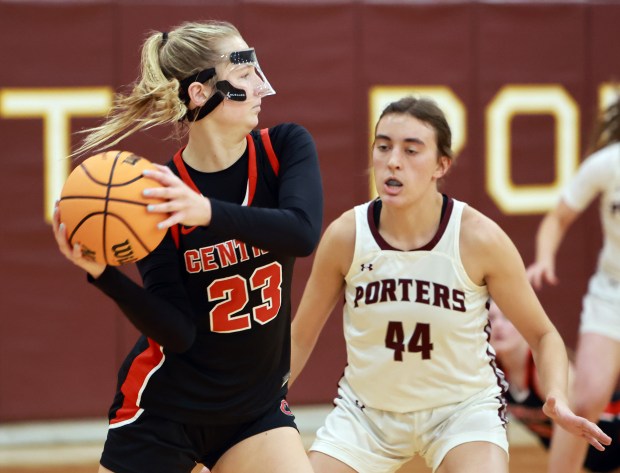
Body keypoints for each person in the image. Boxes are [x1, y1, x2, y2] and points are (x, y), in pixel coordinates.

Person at [52, 20, 322, 473]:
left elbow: (302, 233)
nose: (260, 86)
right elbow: (178, 332)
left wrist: (208, 213)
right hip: (165, 411)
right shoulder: (156, 194)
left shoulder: (284, 148)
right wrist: (104, 275)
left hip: (253, 410)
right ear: (200, 93)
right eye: (244, 75)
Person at [289, 96, 611, 473]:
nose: (393, 160)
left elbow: (543, 335)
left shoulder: (478, 238)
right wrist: (257, 407)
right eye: (383, 146)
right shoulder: (346, 235)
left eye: (411, 150)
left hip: (461, 412)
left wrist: (557, 393)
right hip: (367, 415)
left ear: (441, 165)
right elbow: (299, 337)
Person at [527, 96, 620, 473]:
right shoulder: (607, 163)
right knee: (585, 399)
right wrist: (545, 257)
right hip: (612, 291)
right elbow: (558, 218)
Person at [488, 299, 620, 472]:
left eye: (507, 318)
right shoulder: (493, 373)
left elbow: (571, 429)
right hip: (593, 457)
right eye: (491, 318)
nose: (498, 326)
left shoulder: (543, 367)